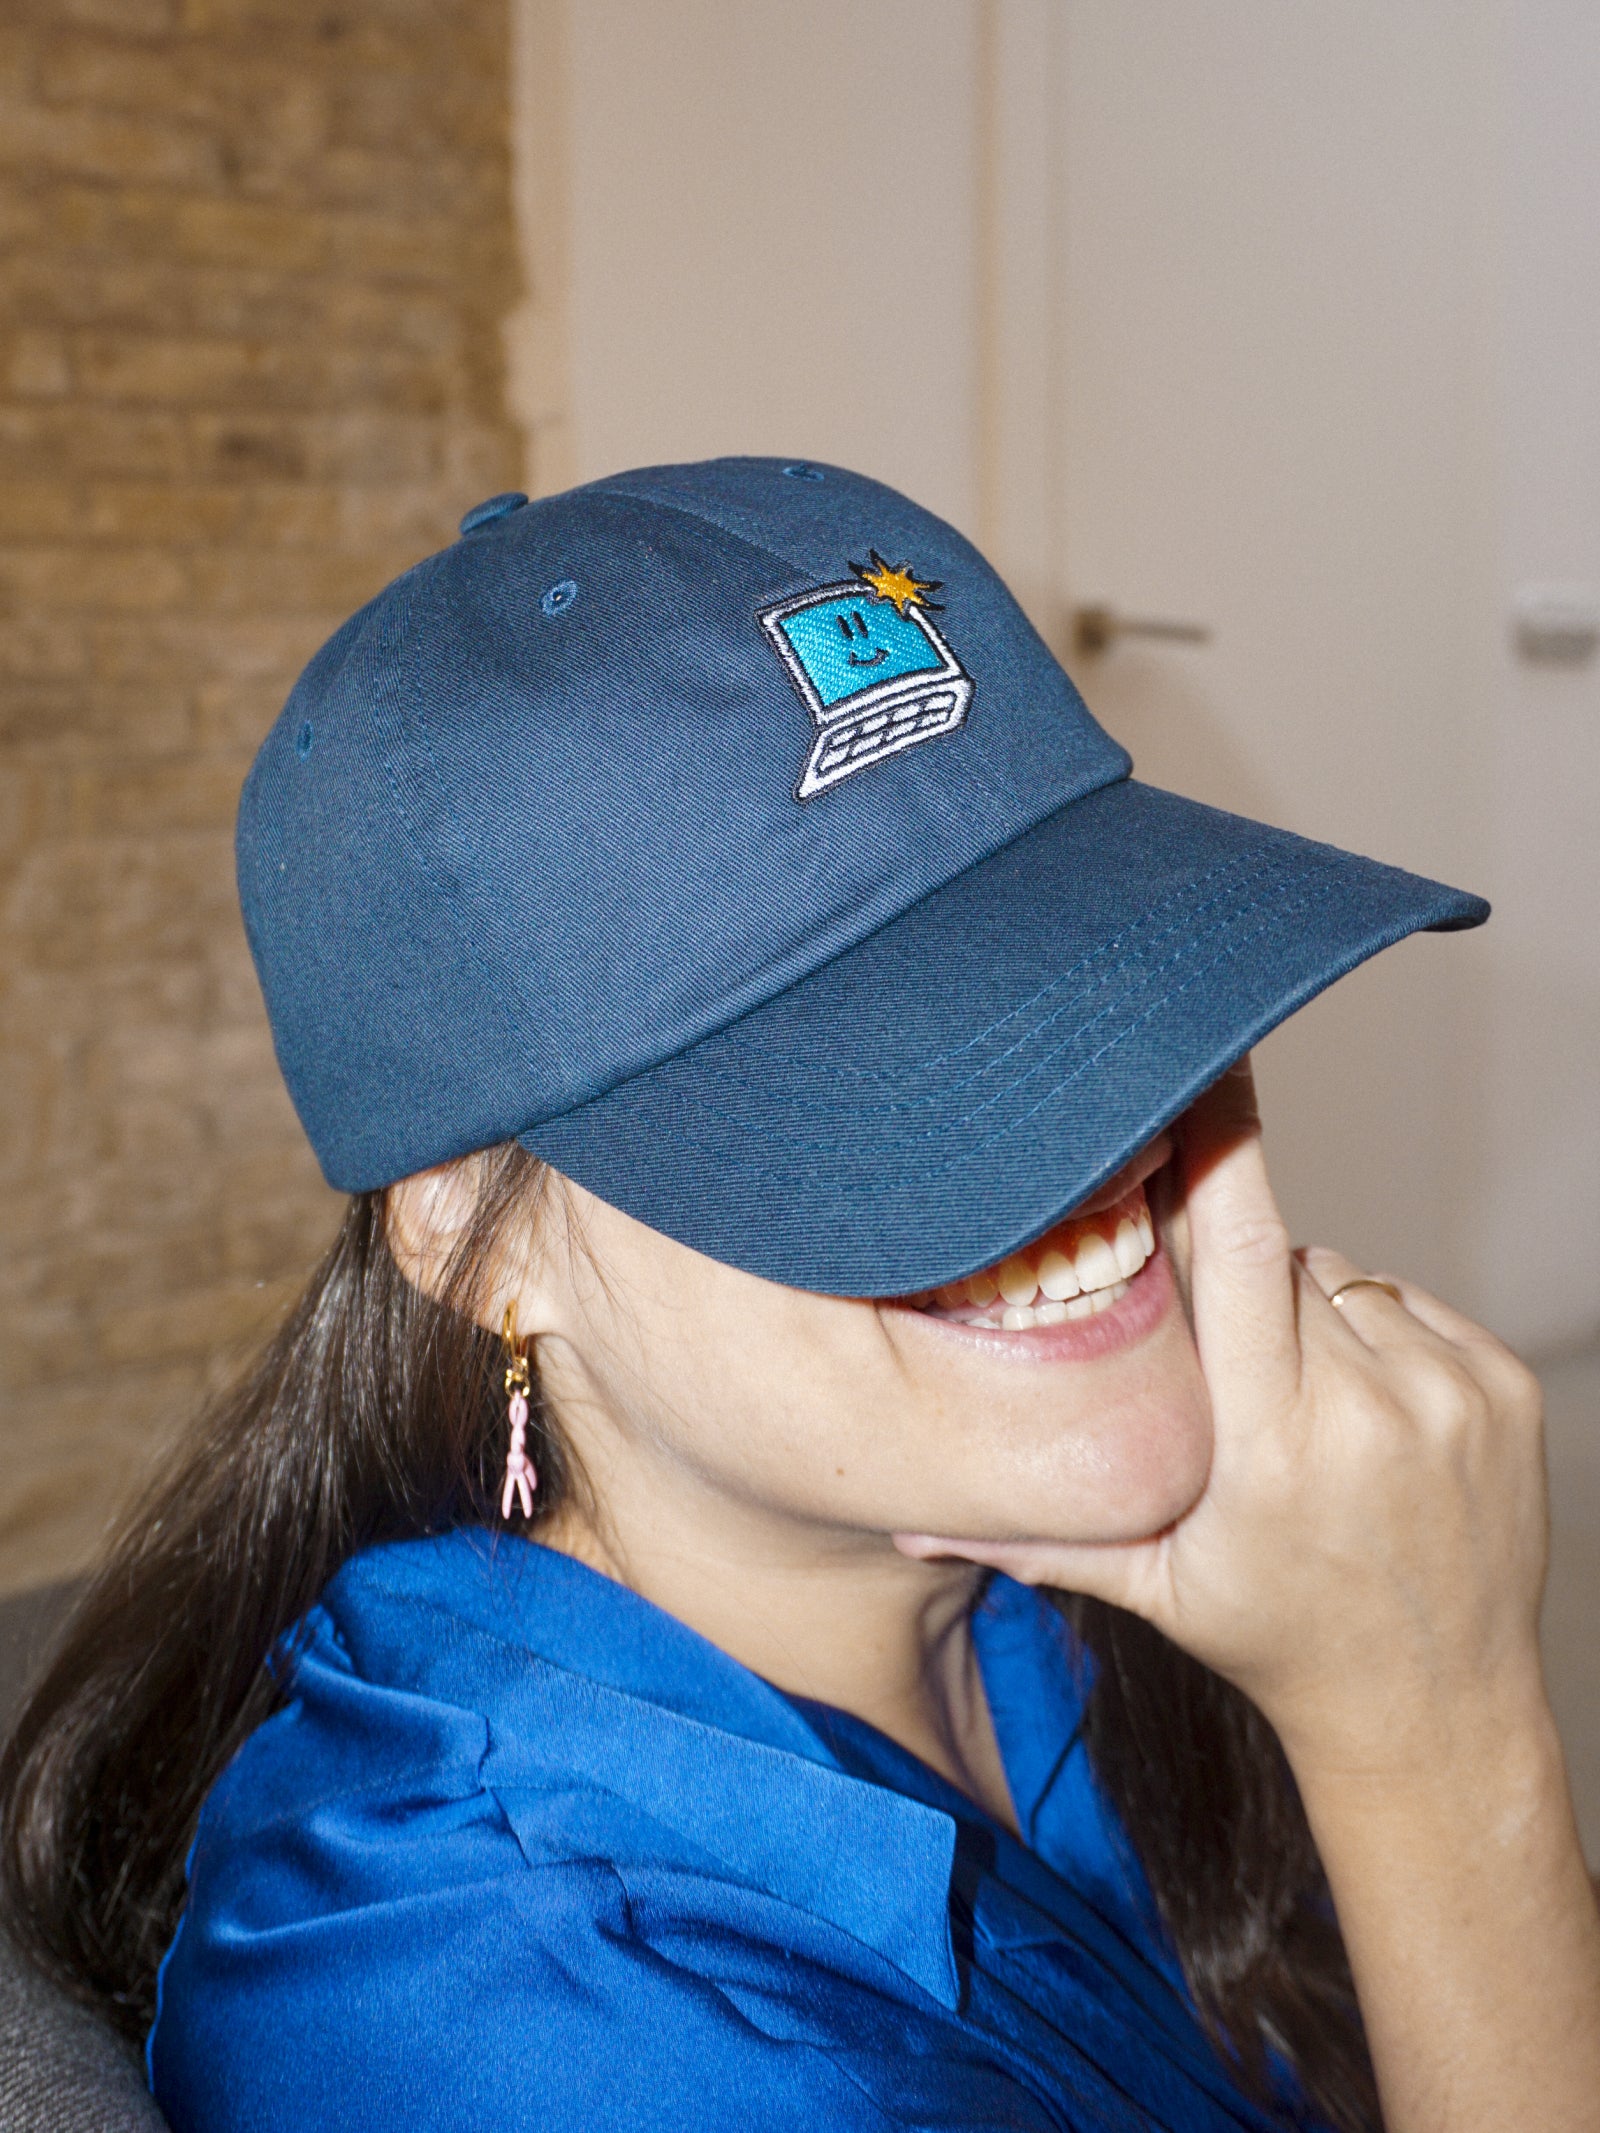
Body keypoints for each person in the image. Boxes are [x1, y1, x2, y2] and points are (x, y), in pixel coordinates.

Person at [2, 459, 1596, 2133]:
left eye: (1085, 979)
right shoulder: (517, 2028)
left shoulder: (1019, 1569)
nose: (1109, 1163)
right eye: (895, 1089)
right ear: (483, 1231)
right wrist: (1439, 1742)